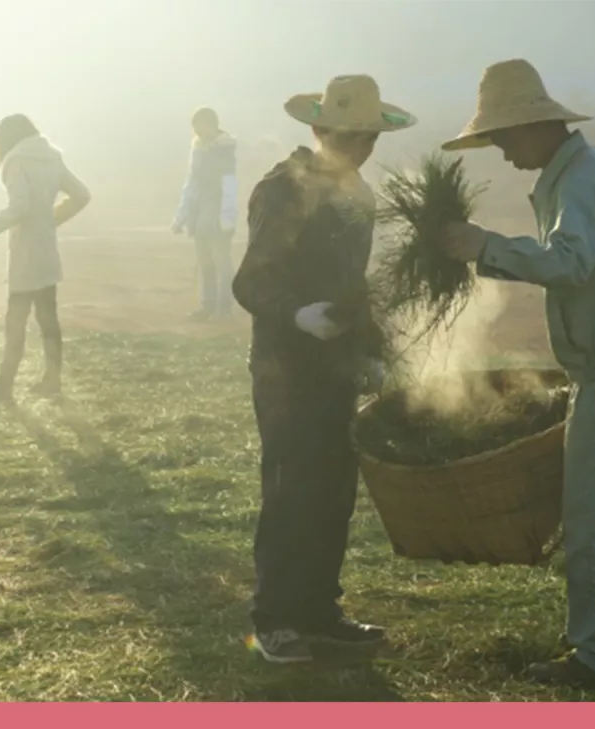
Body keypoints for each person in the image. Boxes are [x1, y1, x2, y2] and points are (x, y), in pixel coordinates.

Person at [439, 59, 595, 686]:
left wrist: (484, 246)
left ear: (536, 125)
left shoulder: (581, 181)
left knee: (594, 524)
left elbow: (570, 263)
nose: (502, 150)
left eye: (505, 136)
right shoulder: (594, 169)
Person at [231, 75, 413, 664]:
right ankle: (274, 621)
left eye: (368, 137)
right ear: (319, 129)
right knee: (291, 489)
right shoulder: (283, 189)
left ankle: (318, 610)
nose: (360, 147)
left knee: (334, 490)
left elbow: (354, 286)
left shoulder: (358, 193)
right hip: (286, 370)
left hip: (335, 367)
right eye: (349, 135)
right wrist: (297, 314)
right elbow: (251, 281)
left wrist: (372, 348)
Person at [0, 114, 91, 403]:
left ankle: (4, 386)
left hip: (25, 252)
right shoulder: (52, 157)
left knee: (15, 320)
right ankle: (52, 380)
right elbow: (82, 194)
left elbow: (18, 208)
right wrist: (51, 219)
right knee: (48, 319)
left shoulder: (16, 161)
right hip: (46, 248)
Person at [171, 107, 238, 321]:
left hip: (218, 211)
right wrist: (181, 216)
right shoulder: (198, 148)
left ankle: (224, 308)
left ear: (210, 124)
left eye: (198, 126)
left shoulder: (226, 149)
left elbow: (230, 185)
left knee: (221, 262)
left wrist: (227, 217)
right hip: (201, 213)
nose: (196, 131)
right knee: (205, 261)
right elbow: (191, 182)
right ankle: (208, 305)